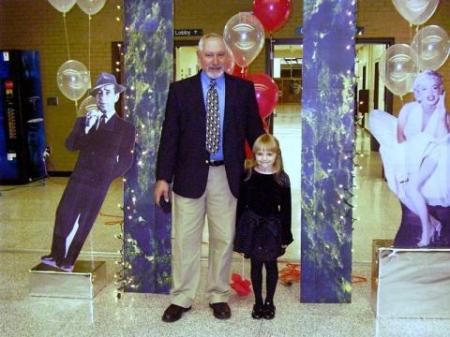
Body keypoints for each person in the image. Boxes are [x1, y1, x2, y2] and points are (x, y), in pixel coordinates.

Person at [154, 33, 264, 322]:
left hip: (226, 176)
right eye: (209, 55)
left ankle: (218, 294)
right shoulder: (180, 91)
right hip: (189, 176)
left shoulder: (242, 89)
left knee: (223, 238)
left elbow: (254, 130)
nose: (215, 61)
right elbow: (170, 137)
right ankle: (182, 297)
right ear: (199, 57)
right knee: (185, 241)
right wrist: (163, 177)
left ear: (226, 58)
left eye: (220, 55)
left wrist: (269, 160)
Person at [41, 72, 136, 271]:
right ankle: (56, 254)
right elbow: (70, 145)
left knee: (84, 219)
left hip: (99, 181)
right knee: (63, 213)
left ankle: (68, 260)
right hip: (79, 176)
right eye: (99, 94)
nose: (102, 98)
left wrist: (109, 175)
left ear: (116, 96)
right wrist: (86, 129)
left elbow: (127, 159)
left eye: (107, 93)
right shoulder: (84, 120)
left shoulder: (125, 127)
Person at [369, 70, 449, 247]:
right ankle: (434, 224)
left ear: (440, 90)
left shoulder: (443, 115)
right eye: (424, 89)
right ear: (417, 93)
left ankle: (426, 232)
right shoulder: (408, 110)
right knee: (403, 191)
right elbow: (400, 142)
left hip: (434, 156)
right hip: (411, 155)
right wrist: (403, 169)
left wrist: (442, 112)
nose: (430, 93)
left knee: (412, 188)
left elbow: (443, 143)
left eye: (434, 88)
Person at [234, 134, 293, 320]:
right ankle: (258, 301)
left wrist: (285, 235)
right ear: (254, 155)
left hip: (272, 228)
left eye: (269, 154)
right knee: (256, 265)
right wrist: (239, 232)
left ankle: (270, 301)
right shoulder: (248, 175)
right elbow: (241, 205)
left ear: (277, 155)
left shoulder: (282, 178)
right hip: (252, 226)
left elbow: (286, 209)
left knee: (271, 264)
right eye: (260, 154)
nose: (264, 158)